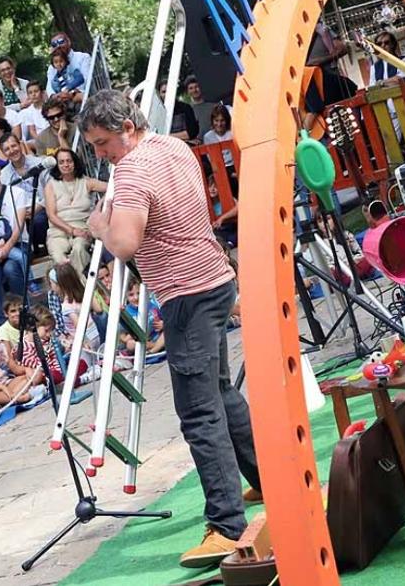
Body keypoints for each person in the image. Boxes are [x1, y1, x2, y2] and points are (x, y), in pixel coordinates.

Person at [81, 89, 260, 567]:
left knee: (200, 412)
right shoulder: (175, 146)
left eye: (102, 143)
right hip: (216, 278)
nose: (100, 155)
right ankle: (266, 480)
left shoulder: (134, 170)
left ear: (127, 129)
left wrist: (100, 224)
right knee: (221, 395)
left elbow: (123, 242)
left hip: (188, 295)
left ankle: (228, 525)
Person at [43, 148, 106, 277]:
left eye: (69, 161)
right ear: (57, 165)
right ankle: (72, 291)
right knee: (60, 259)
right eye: (61, 162)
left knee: (79, 249)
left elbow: (113, 188)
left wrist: (100, 204)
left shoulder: (86, 182)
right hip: (58, 230)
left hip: (82, 228)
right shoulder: (51, 185)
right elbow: (51, 215)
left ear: (75, 162)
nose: (66, 165)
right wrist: (71, 230)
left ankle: (83, 291)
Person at [200, 104, 236, 169]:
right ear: (212, 120)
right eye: (216, 120)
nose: (219, 124)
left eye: (222, 120)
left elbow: (235, 154)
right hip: (219, 168)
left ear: (227, 120)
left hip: (234, 165)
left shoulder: (232, 133)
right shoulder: (208, 137)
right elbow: (212, 159)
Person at [18, 81, 51, 145]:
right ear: (28, 95)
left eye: (36, 91)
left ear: (41, 92)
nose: (33, 94)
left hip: (52, 136)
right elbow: (32, 131)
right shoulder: (29, 111)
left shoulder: (50, 107)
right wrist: (41, 141)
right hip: (39, 139)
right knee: (27, 144)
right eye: (30, 93)